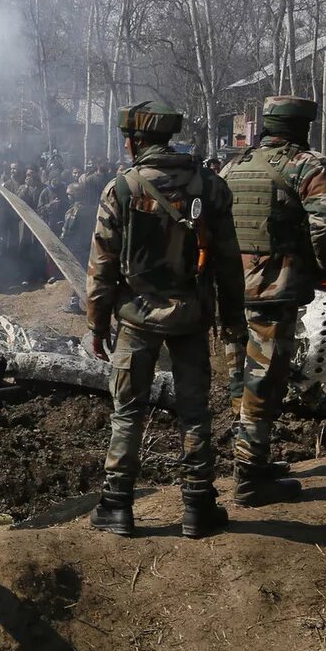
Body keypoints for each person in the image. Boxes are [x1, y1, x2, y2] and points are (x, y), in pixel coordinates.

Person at [86, 101, 246, 539]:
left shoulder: (120, 189)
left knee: (127, 412)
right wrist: (233, 320)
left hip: (136, 318)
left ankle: (117, 505)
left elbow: (102, 265)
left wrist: (97, 324)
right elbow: (230, 262)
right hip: (192, 315)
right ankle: (197, 505)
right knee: (195, 412)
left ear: (133, 141)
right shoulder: (210, 186)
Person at [220, 96, 326, 505]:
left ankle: (250, 460)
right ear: (301, 128)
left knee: (241, 378)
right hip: (273, 292)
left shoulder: (233, 167)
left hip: (229, 290)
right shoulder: (309, 167)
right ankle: (251, 480)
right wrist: (318, 270)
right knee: (265, 380)